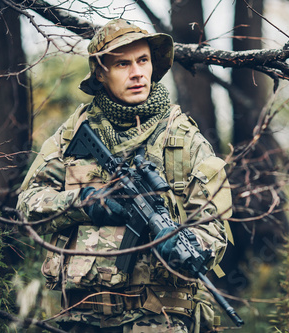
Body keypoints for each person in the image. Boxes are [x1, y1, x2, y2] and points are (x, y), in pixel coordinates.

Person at [17, 18, 233, 333]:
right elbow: (26, 207)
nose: (136, 73)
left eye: (143, 60)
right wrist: (84, 203)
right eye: (123, 64)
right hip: (78, 316)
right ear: (101, 72)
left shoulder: (184, 139)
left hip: (160, 318)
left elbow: (215, 228)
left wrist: (184, 244)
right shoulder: (71, 135)